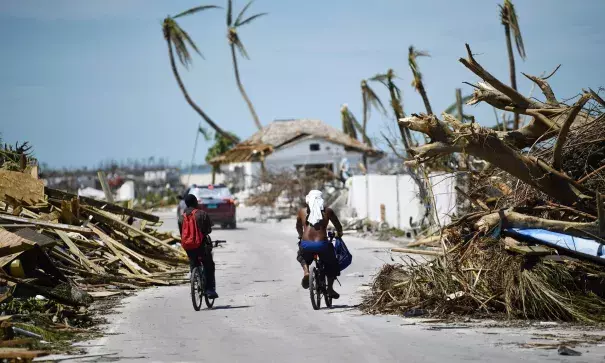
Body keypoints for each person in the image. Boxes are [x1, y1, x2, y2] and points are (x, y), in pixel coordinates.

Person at [296, 190, 343, 299]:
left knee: (302, 256)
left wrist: (301, 235)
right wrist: (339, 233)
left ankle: (306, 272)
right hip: (322, 245)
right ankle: (330, 289)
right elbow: (338, 225)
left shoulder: (302, 212)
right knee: (332, 264)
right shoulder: (328, 211)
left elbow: (298, 226)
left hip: (306, 244)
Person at [178, 194, 219, 299]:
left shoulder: (181, 218)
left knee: (193, 262)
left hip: (188, 247)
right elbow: (208, 230)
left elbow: (181, 233)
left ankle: (195, 279)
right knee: (209, 264)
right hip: (201, 246)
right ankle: (209, 289)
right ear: (196, 202)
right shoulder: (202, 214)